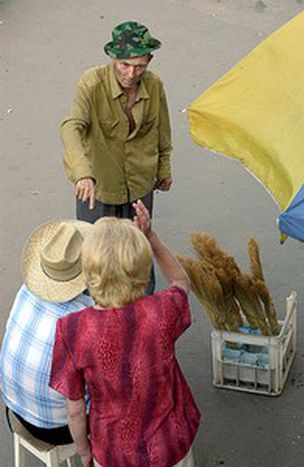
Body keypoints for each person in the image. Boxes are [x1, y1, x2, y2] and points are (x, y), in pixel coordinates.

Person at [50, 200, 201, 467]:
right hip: (169, 445)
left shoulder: (72, 329)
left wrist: (85, 451)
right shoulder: (161, 311)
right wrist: (151, 236)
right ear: (142, 270)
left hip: (113, 452)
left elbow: (74, 410)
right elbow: (180, 281)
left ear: (88, 272)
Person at [61, 21, 173, 293]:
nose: (132, 73)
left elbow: (162, 129)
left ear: (149, 60)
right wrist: (83, 173)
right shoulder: (92, 82)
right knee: (97, 260)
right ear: (113, 58)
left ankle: (143, 316)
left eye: (139, 66)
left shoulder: (154, 85)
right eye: (125, 65)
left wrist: (164, 168)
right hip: (98, 187)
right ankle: (98, 318)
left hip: (140, 184)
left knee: (139, 254)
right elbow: (71, 126)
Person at [0, 220, 93, 444]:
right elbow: (77, 408)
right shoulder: (84, 316)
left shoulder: (26, 291)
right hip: (58, 427)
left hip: (15, 406)